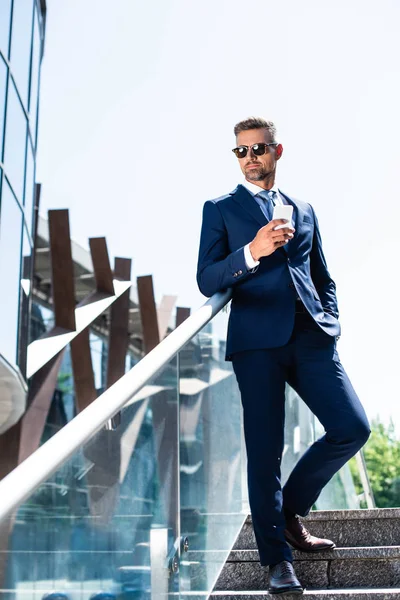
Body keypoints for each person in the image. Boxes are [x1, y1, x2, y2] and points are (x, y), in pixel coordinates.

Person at [196, 117, 370, 595]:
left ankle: (289, 511)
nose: (249, 158)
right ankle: (276, 560)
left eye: (258, 149)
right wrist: (252, 250)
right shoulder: (221, 209)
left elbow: (322, 275)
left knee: (352, 428)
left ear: (277, 151)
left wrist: (330, 323)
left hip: (311, 338)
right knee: (265, 451)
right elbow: (207, 279)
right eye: (241, 151)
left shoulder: (303, 207)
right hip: (256, 343)